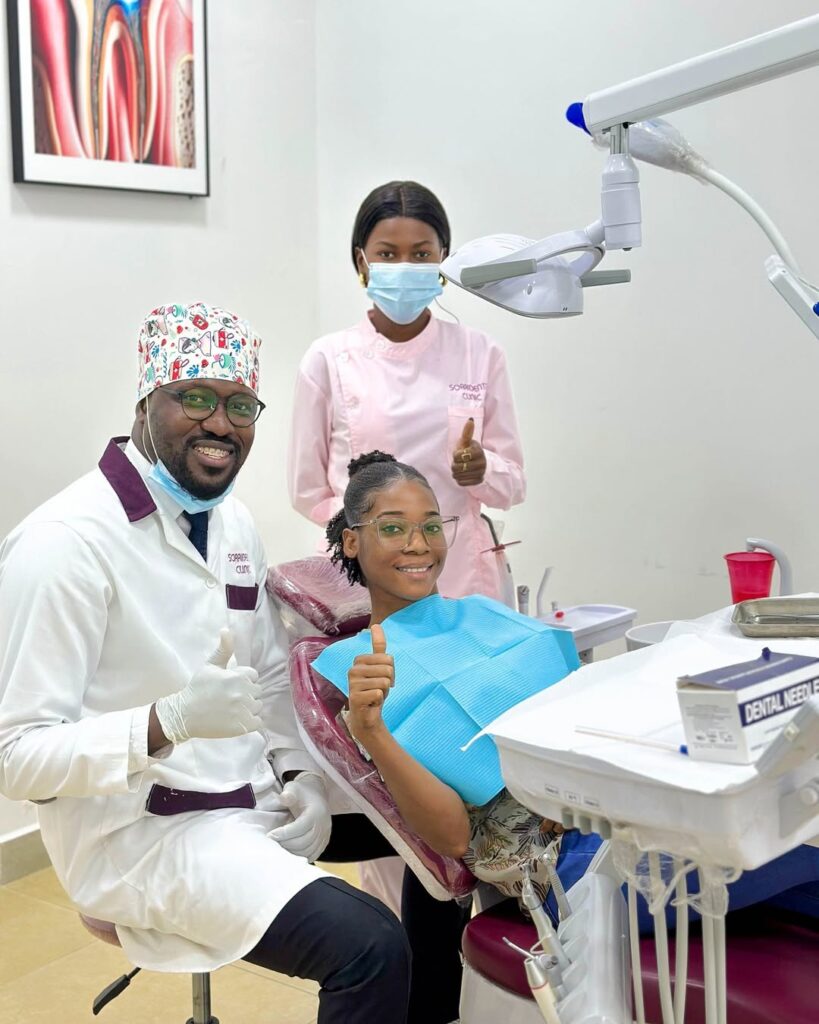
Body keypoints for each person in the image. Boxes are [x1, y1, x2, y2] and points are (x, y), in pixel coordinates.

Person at [0, 302, 409, 1024]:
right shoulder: (64, 544)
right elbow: (15, 759)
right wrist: (169, 722)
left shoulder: (231, 522)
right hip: (145, 832)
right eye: (194, 398)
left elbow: (269, 676)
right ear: (146, 401)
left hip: (247, 790)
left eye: (239, 405)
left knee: (441, 823)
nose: (220, 423)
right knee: (369, 947)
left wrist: (301, 777)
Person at [324, 451, 819, 940]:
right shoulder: (365, 676)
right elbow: (453, 838)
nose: (418, 544)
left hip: (632, 811)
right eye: (393, 528)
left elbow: (582, 702)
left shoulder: (483, 615)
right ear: (351, 540)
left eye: (431, 526)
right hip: (574, 870)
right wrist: (372, 730)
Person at [288, 179, 526, 603]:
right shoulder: (327, 359)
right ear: (361, 260)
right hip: (364, 581)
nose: (404, 265)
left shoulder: (480, 353)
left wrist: (483, 470)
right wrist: (368, 531)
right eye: (387, 254)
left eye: (420, 254)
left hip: (461, 579)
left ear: (443, 260)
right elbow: (306, 490)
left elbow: (515, 484)